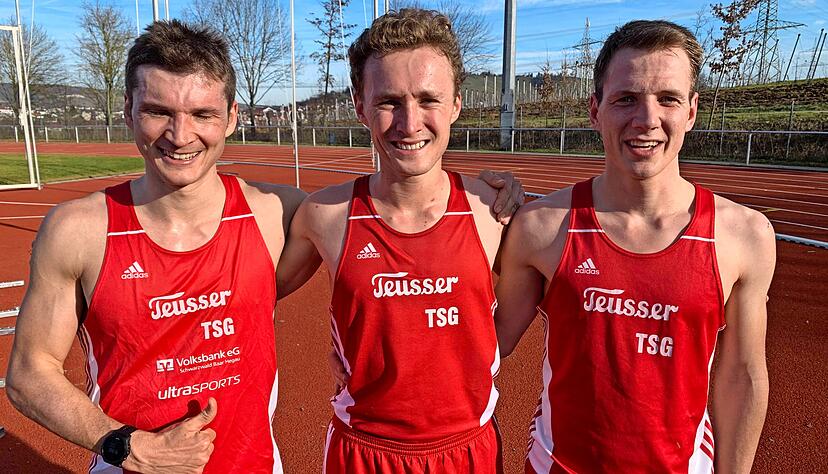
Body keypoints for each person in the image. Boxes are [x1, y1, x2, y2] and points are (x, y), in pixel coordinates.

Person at [6, 19, 520, 474]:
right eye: (158, 111)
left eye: (202, 114)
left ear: (231, 117)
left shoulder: (277, 215)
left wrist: (504, 188)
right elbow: (29, 373)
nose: (180, 135)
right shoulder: (79, 230)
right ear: (128, 112)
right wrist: (123, 444)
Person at [494, 20, 776, 474]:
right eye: (626, 98)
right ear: (595, 110)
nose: (646, 119)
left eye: (668, 98)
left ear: (692, 111)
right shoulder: (542, 226)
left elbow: (742, 375)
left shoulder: (744, 234)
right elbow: (485, 345)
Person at [278, 9, 519, 473]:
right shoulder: (325, 215)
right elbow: (245, 299)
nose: (410, 124)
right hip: (361, 453)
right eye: (389, 101)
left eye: (429, 99)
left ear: (456, 105)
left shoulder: (497, 212)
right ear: (359, 105)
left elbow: (577, 310)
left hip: (468, 451)